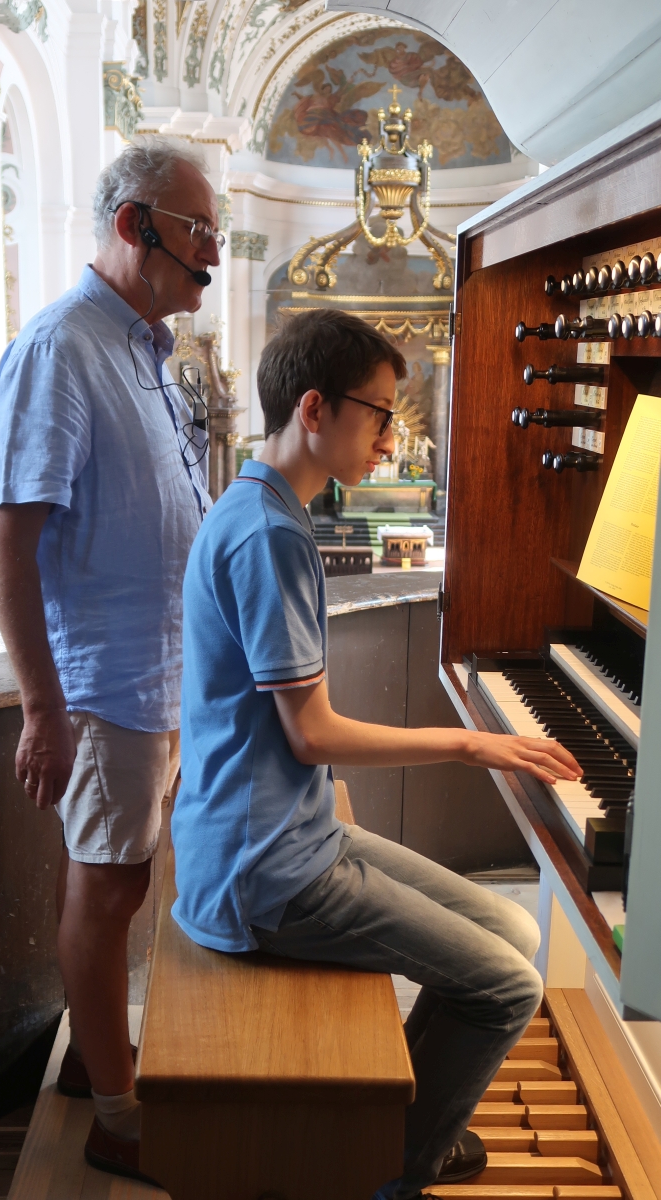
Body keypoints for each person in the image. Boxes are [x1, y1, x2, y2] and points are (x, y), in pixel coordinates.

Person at [171, 309, 582, 1200]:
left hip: (285, 835)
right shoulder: (270, 532)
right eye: (382, 415)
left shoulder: (261, 506)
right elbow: (312, 734)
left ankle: (393, 1128)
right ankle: (392, 1174)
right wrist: (468, 742)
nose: (393, 440)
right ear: (315, 408)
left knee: (515, 933)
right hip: (264, 873)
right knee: (510, 990)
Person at [0, 138, 222, 1180]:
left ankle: (93, 1057)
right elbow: (7, 543)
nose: (213, 253)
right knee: (108, 885)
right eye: (198, 230)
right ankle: (118, 1119)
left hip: (158, 676)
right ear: (133, 224)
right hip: (106, 684)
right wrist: (41, 707)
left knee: (116, 880)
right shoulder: (60, 348)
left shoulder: (144, 351)